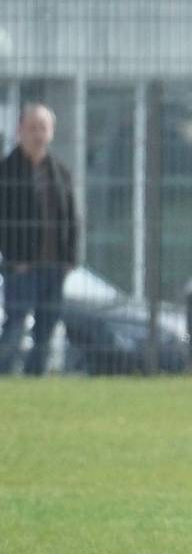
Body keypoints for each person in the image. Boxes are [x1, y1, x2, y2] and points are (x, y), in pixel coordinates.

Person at [0, 104, 79, 376]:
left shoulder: (60, 172)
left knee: (47, 326)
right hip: (21, 266)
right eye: (32, 128)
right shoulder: (6, 172)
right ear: (19, 131)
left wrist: (70, 258)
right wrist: (13, 258)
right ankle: (4, 375)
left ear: (51, 132)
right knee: (15, 323)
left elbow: (72, 217)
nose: (37, 134)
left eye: (42, 128)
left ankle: (36, 377)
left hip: (54, 265)